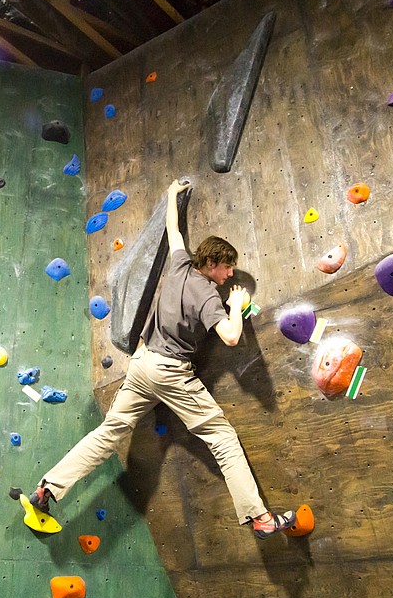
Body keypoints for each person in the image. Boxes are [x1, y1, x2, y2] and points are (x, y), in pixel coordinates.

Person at [32, 178, 295, 538]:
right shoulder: (208, 297)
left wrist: (171, 193)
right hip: (171, 373)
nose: (230, 274)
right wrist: (235, 305)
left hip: (141, 366)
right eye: (228, 267)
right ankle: (259, 518)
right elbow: (231, 336)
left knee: (109, 432)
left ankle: (49, 486)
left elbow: (173, 230)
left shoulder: (180, 265)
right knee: (221, 437)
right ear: (214, 262)